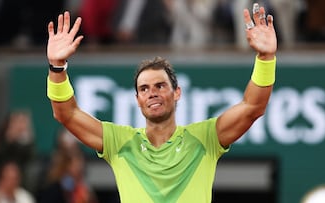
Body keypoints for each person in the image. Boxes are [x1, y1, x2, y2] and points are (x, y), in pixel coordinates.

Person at [45, 2, 277, 202]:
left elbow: (252, 107)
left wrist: (266, 58)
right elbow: (67, 114)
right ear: (137, 100)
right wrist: (57, 67)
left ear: (177, 93)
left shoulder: (205, 138)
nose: (152, 93)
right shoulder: (119, 142)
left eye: (160, 86)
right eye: (144, 89)